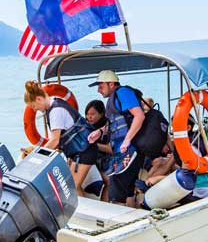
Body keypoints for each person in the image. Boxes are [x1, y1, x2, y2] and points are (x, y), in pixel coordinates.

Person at [87, 70, 146, 204]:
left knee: (115, 193)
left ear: (111, 84)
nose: (98, 90)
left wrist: (127, 140)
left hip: (129, 150)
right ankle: (133, 216)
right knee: (128, 190)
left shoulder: (123, 93)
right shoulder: (113, 99)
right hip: (123, 150)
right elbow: (115, 124)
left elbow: (139, 116)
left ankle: (119, 223)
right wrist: (100, 132)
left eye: (101, 86)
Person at [23, 81, 91, 157]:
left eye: (33, 106)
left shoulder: (55, 111)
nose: (34, 110)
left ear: (38, 99)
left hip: (85, 151)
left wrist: (38, 156)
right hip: (81, 148)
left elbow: (55, 141)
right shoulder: (56, 102)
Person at [71, 99, 113, 197]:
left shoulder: (108, 127)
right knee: (75, 182)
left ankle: (103, 206)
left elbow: (110, 149)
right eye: (87, 114)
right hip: (86, 159)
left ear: (101, 113)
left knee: (109, 181)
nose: (89, 117)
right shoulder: (84, 126)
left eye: (92, 114)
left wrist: (93, 145)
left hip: (103, 159)